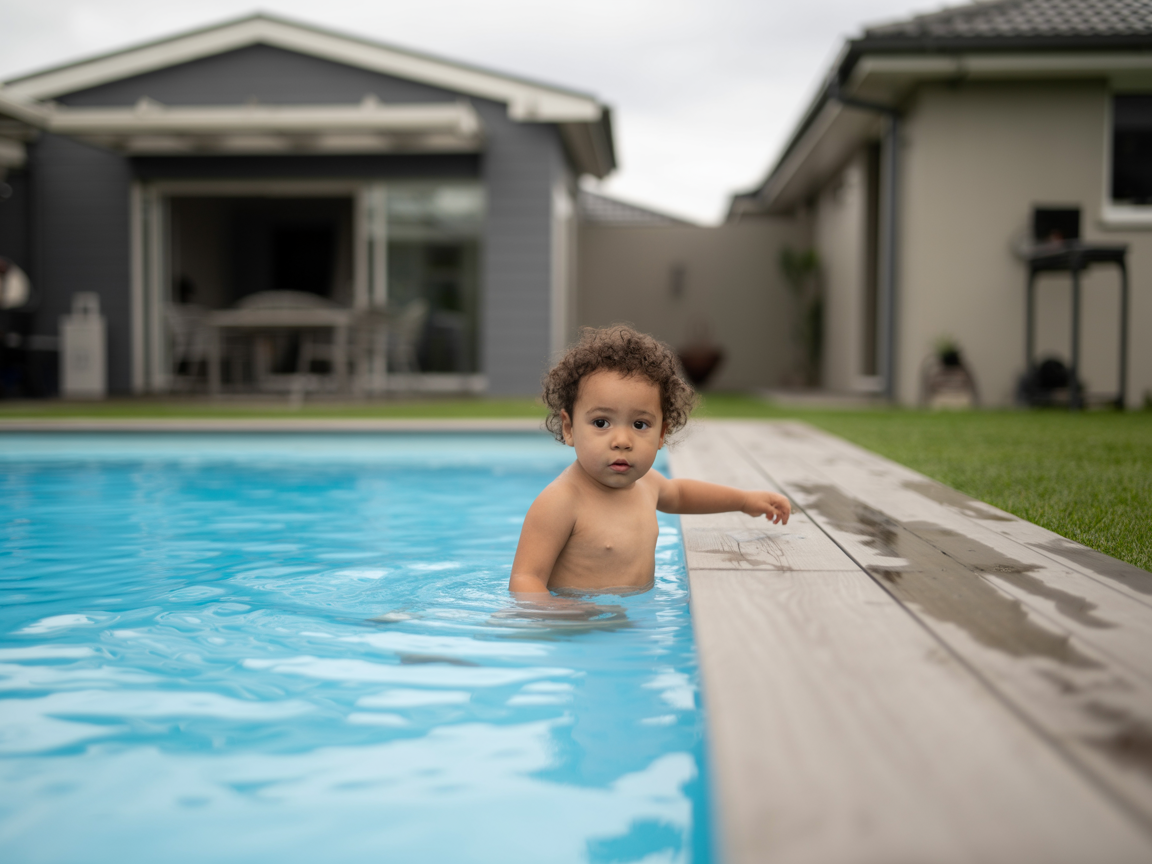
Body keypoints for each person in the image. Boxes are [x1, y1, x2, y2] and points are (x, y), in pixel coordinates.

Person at [509, 325, 790, 596]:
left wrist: (743, 501)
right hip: (578, 629)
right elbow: (525, 579)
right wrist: (562, 615)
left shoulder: (647, 484)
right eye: (601, 422)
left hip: (634, 622)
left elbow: (681, 495)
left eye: (640, 425)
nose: (622, 440)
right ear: (569, 429)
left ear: (661, 435)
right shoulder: (561, 501)